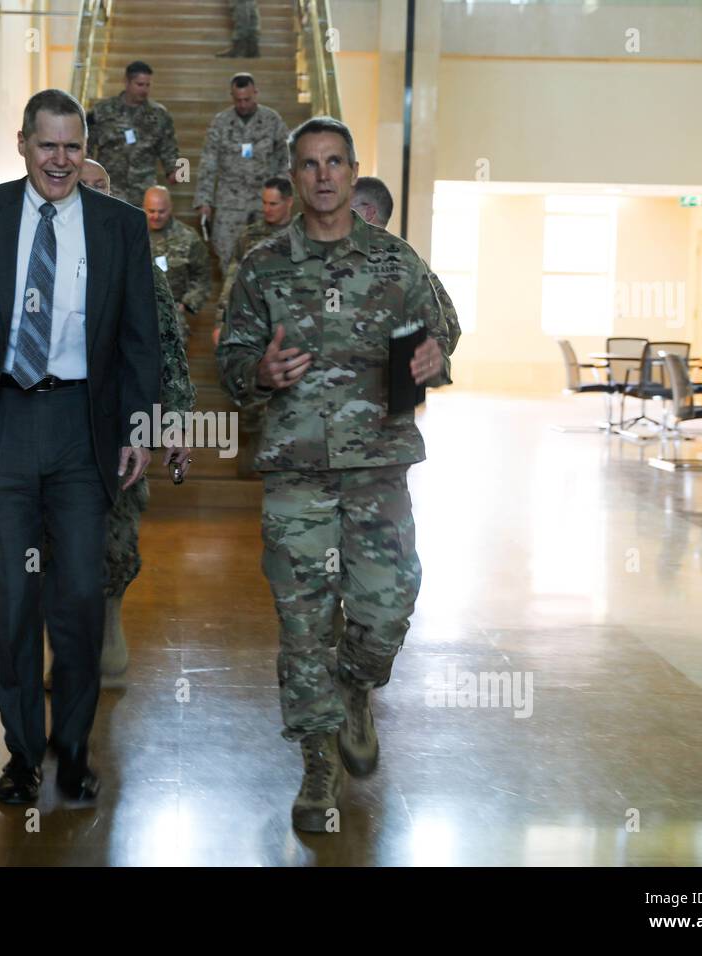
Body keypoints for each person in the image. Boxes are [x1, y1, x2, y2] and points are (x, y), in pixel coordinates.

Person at [0, 89, 161, 807]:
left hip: (82, 432)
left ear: (87, 148)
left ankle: (72, 751)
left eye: (73, 146)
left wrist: (141, 425)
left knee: (78, 598)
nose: (60, 160)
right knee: (11, 600)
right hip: (4, 431)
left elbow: (141, 337)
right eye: (47, 145)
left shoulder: (119, 227)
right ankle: (23, 753)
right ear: (22, 143)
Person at [216, 117, 458, 833]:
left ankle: (357, 685)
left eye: (335, 163)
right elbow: (232, 363)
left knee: (387, 607)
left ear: (353, 174)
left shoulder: (395, 261)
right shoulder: (262, 268)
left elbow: (442, 329)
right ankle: (317, 763)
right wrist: (258, 371)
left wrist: (434, 358)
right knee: (304, 626)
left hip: (379, 466)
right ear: (294, 177)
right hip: (297, 473)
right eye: (309, 164)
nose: (323, 175)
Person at [43, 161, 196, 688]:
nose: (92, 195)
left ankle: (108, 626)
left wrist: (173, 422)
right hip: (54, 421)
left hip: (118, 427)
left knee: (115, 534)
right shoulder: (41, 257)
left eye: (102, 187)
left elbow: (167, 351)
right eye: (83, 187)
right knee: (50, 538)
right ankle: (61, 641)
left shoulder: (138, 264)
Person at [194, 73, 290, 268]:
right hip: (229, 202)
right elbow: (208, 161)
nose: (243, 104)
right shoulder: (221, 122)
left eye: (247, 99)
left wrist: (281, 191)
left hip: (264, 202)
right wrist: (204, 200)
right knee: (227, 256)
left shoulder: (272, 120)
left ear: (256, 93)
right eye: (238, 100)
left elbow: (286, 156)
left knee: (267, 256)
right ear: (231, 95)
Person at [351, 176, 461, 337]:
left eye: (345, 208)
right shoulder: (414, 264)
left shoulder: (345, 260)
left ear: (368, 212)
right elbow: (450, 329)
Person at [215, 175, 295, 344]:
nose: (266, 209)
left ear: (289, 202)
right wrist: (220, 322)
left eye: (273, 204)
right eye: (264, 203)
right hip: (252, 318)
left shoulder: (302, 235)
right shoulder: (249, 235)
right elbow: (232, 279)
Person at [87, 61, 181, 204]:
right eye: (139, 84)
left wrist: (175, 171)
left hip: (144, 189)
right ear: (126, 82)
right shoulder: (102, 111)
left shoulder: (159, 114)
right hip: (110, 187)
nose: (144, 90)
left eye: (147, 85)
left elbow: (170, 148)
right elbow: (86, 144)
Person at [144, 185, 211, 337]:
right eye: (151, 211)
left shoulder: (188, 237)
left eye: (162, 211)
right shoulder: (131, 234)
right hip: (136, 313)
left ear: (170, 208)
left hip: (173, 315)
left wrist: (186, 304)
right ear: (144, 207)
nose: (156, 216)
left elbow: (203, 277)